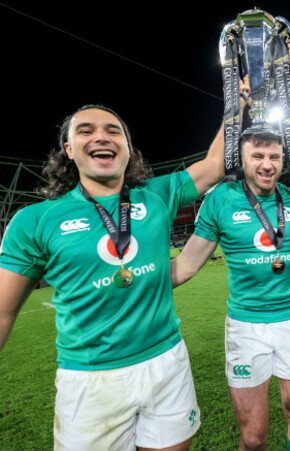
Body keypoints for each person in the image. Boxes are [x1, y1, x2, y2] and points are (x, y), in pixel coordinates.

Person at [0, 104, 226, 450]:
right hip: (90, 378)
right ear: (69, 150)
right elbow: (3, 312)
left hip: (167, 361)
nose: (101, 136)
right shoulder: (34, 220)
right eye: (86, 131)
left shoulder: (157, 194)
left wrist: (238, 102)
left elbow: (215, 165)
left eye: (113, 130)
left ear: (128, 147)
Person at [171, 57, 290, 450]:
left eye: (274, 157)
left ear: (283, 160)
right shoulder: (219, 201)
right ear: (242, 159)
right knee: (252, 437)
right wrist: (134, 278)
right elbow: (186, 266)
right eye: (257, 157)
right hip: (246, 328)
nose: (267, 164)